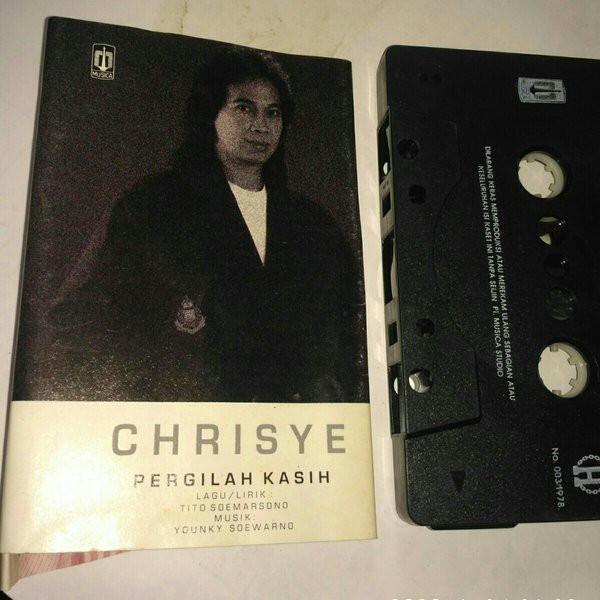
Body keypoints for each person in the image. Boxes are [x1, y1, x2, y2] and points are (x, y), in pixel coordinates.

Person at [45, 48, 362, 403]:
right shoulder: (152, 204)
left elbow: (343, 337)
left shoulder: (312, 224)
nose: (261, 126)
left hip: (289, 424)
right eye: (244, 108)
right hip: (182, 418)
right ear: (211, 113)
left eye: (273, 113)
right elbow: (78, 318)